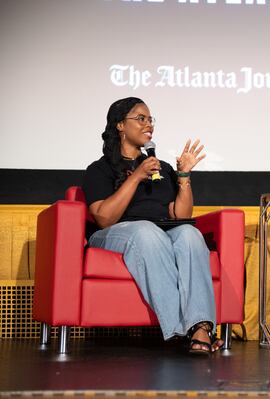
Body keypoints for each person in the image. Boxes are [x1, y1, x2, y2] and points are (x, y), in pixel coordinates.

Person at [82, 97, 222, 355]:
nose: (149, 125)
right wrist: (136, 176)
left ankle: (201, 327)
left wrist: (183, 176)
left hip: (160, 231)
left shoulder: (162, 168)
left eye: (150, 120)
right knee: (146, 232)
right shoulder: (100, 169)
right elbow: (103, 218)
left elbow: (179, 215)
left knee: (190, 234)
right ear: (120, 125)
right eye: (141, 118)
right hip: (115, 234)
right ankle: (184, 330)